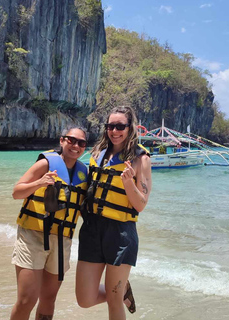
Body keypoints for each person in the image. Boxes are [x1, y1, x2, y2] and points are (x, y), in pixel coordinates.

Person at [75, 106, 152, 320]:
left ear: (130, 128)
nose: (114, 131)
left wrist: (128, 184)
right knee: (84, 299)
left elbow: (141, 204)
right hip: (91, 230)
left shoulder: (140, 159)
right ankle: (122, 290)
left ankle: (118, 292)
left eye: (120, 126)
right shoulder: (98, 153)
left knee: (114, 300)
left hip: (120, 234)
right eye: (110, 126)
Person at [10, 127, 88, 320]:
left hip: (61, 241)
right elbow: (16, 192)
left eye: (81, 143)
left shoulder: (83, 174)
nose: (76, 146)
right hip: (33, 237)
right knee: (27, 299)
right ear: (62, 141)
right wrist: (39, 183)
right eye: (71, 140)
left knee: (48, 299)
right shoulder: (46, 164)